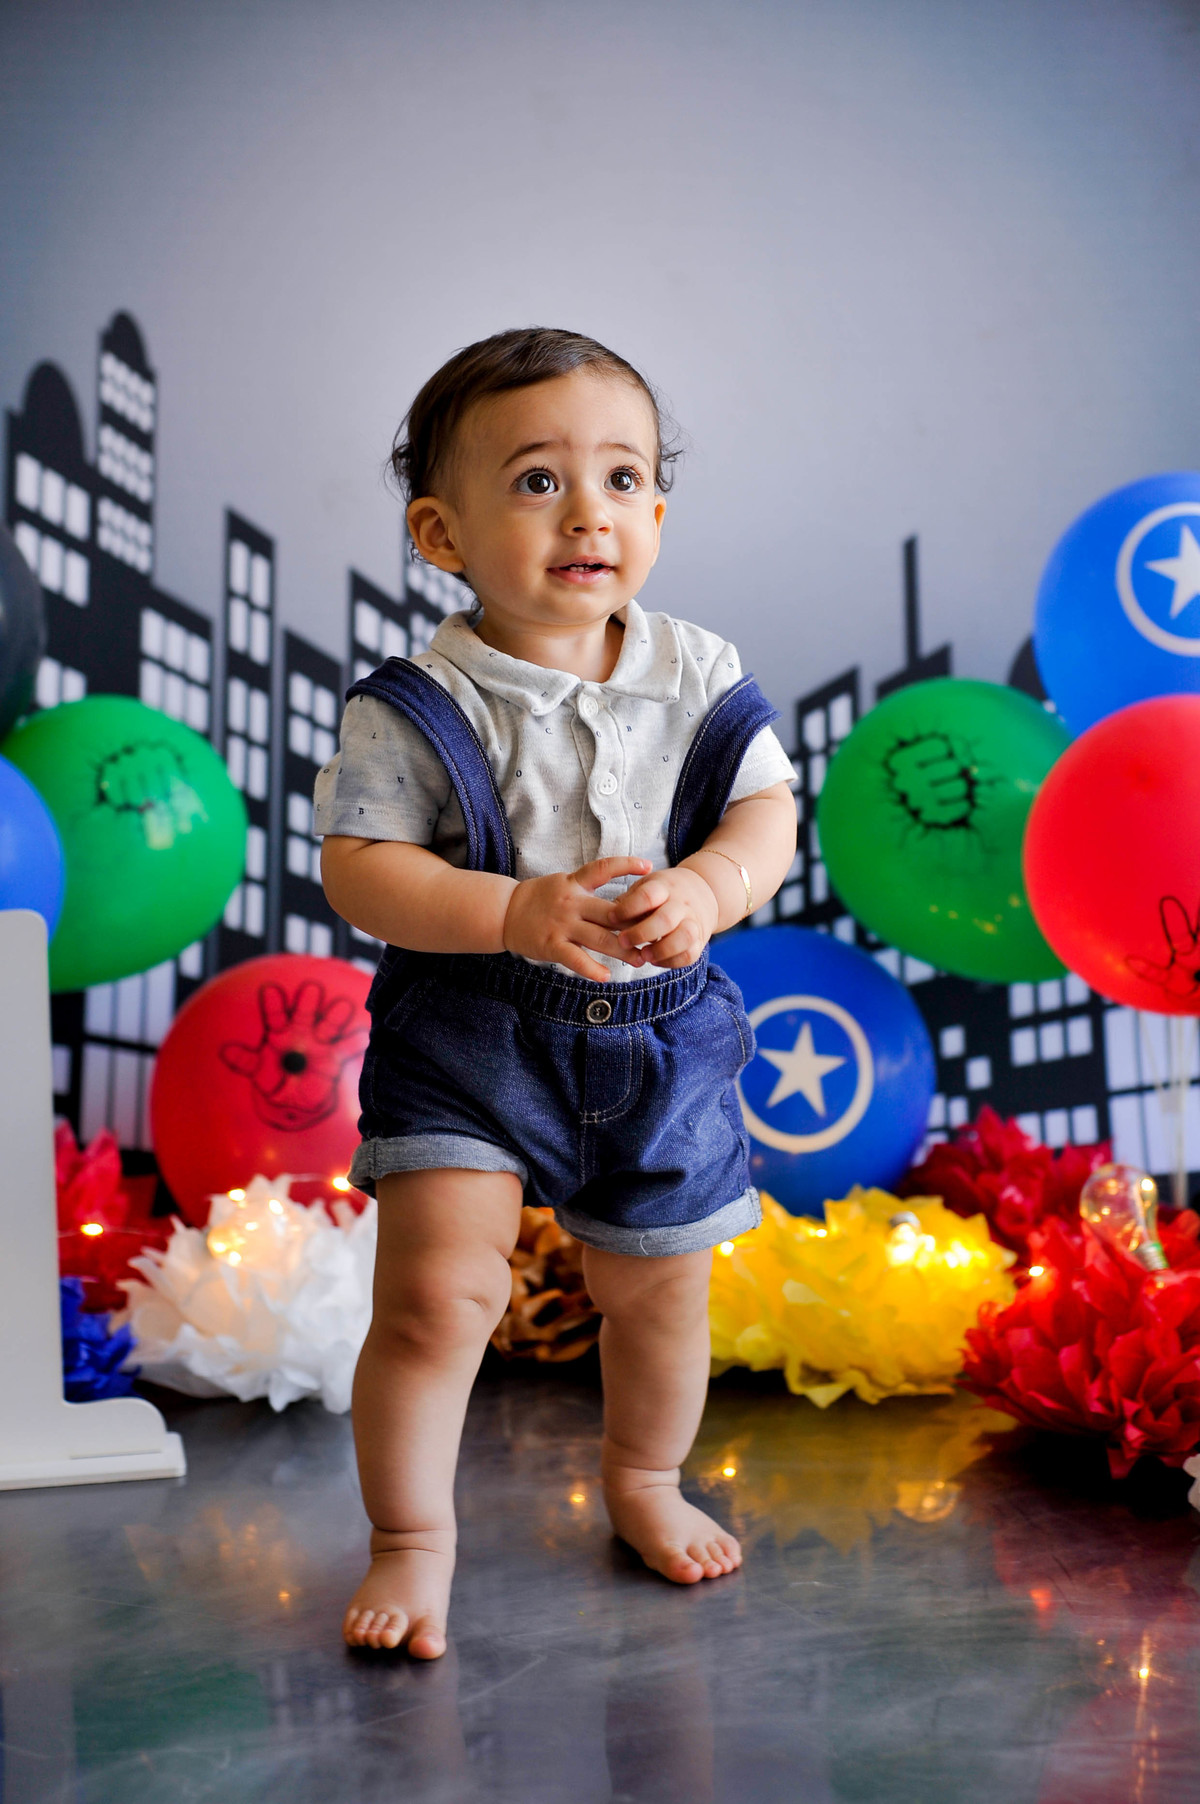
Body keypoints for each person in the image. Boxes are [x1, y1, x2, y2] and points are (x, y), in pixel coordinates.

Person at [315, 327, 799, 1657]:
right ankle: (412, 1539)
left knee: (661, 1293)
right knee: (438, 1298)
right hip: (471, 1041)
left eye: (624, 478)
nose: (590, 512)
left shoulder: (698, 674)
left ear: (658, 512)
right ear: (442, 532)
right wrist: (510, 911)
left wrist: (709, 886)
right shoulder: (416, 704)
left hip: (661, 1045)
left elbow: (767, 814)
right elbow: (362, 869)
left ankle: (645, 1478)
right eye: (538, 480)